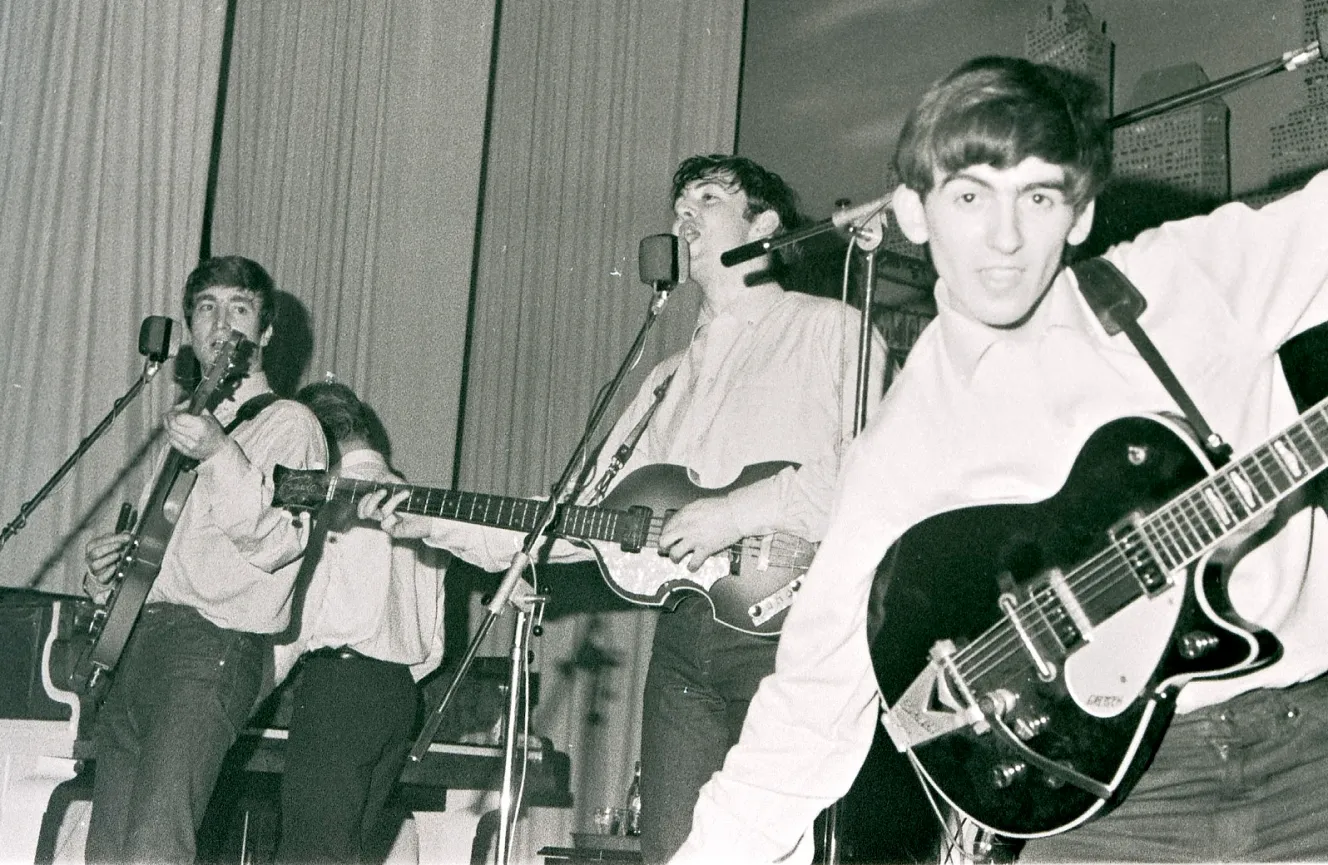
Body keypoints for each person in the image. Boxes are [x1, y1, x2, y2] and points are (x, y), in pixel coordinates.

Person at [670, 56, 1328, 864]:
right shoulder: (904, 447)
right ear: (913, 211)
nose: (1006, 237)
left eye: (1039, 196)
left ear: (1079, 214)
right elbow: (809, 708)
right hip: (1120, 806)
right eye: (971, 196)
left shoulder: (1183, 279)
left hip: (1310, 744)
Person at [359, 153, 886, 863]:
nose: (684, 217)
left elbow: (872, 475)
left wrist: (733, 514)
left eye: (708, 198)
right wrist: (436, 522)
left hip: (797, 629)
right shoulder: (668, 378)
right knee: (672, 850)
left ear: (764, 224)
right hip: (684, 644)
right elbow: (580, 519)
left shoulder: (832, 330)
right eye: (679, 206)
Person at [82, 255, 327, 864]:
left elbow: (281, 542)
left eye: (239, 308)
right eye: (206, 308)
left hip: (211, 650)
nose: (221, 323)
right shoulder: (194, 425)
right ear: (190, 328)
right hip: (140, 645)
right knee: (106, 853)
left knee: (155, 849)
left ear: (265, 332)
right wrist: (108, 576)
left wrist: (220, 453)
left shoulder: (296, 427)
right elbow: (161, 559)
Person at [271, 380, 448, 865]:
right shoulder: (424, 507)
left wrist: (251, 691)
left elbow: (299, 616)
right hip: (398, 697)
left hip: (338, 690)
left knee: (309, 856)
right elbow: (434, 643)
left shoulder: (331, 501)